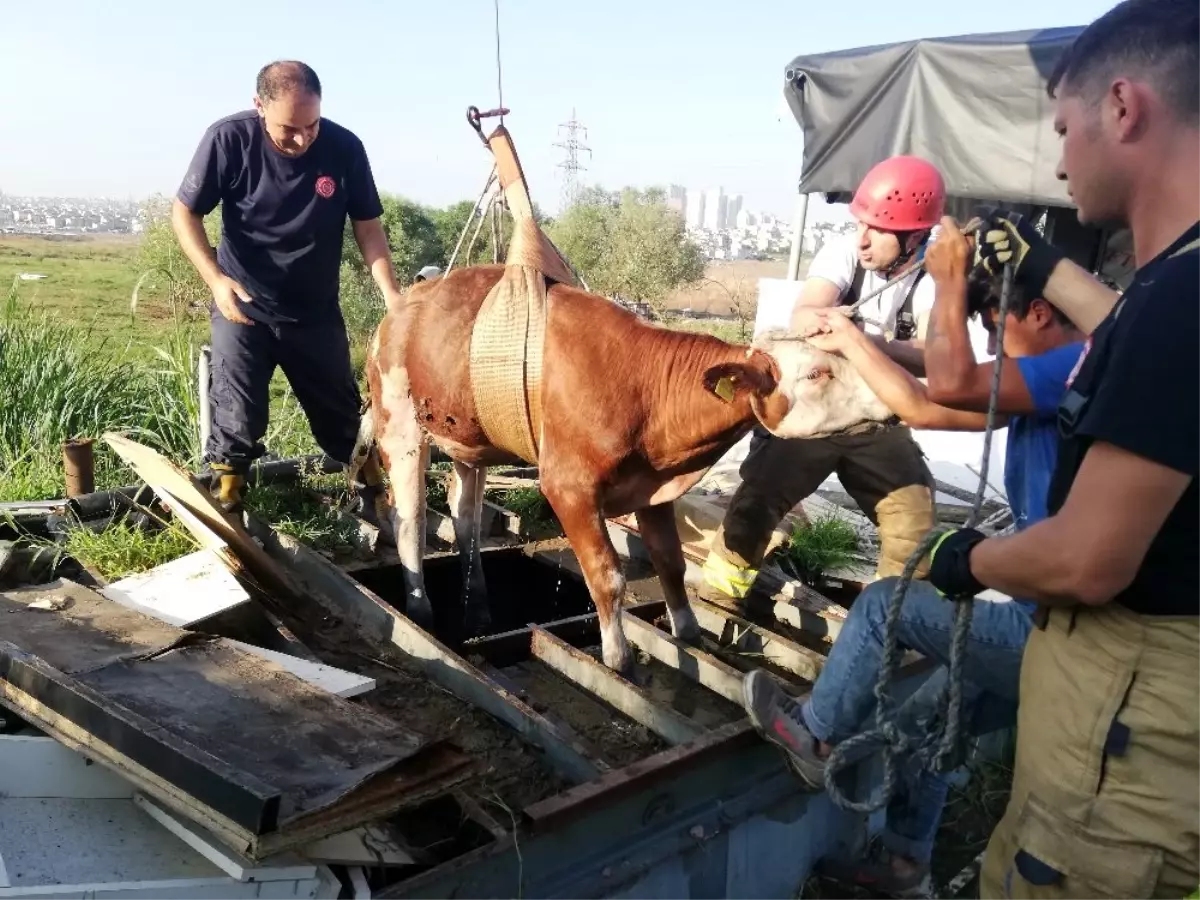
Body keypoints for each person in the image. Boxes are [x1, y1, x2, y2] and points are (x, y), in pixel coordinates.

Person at [923, 2, 1200, 896]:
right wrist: (1043, 266)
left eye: (1066, 128)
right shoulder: (1173, 293)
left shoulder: (1181, 305)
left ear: (1122, 108)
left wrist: (967, 559)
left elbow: (1085, 562)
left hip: (1124, 744)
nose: (1060, 159)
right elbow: (1144, 341)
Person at [740, 220, 1086, 898]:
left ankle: (815, 735)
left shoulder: (1064, 374)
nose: (994, 351)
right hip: (1049, 623)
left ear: (1040, 313)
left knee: (877, 609)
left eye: (997, 328)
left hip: (1060, 636)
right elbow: (931, 398)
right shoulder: (1068, 375)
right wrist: (857, 339)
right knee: (935, 723)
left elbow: (935, 395)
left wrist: (856, 334)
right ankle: (905, 868)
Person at [703, 156, 945, 600]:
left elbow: (933, 356)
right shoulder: (844, 253)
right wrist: (822, 321)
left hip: (877, 419)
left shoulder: (936, 278)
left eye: (879, 230)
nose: (864, 241)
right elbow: (806, 309)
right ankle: (720, 599)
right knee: (756, 505)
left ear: (915, 237)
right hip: (813, 412)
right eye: (861, 225)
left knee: (915, 533)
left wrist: (859, 341)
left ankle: (889, 625)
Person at [172, 60, 402, 514]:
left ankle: (376, 499)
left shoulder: (344, 148)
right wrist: (216, 280)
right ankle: (230, 508)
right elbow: (184, 214)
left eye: (311, 125)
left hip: (314, 312)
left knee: (342, 419)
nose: (302, 139)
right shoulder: (228, 140)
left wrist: (393, 298)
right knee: (236, 419)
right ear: (258, 106)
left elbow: (368, 229)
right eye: (288, 129)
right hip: (243, 307)